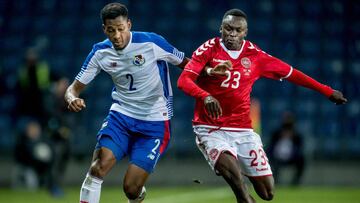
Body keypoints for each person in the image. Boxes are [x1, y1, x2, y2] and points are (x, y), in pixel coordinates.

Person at [177, 8, 347, 202]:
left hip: (242, 130)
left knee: (268, 193)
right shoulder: (208, 48)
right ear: (220, 28)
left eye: (237, 30)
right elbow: (184, 81)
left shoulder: (255, 55)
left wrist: (326, 91)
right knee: (238, 184)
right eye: (228, 28)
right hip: (211, 128)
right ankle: (239, 186)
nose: (232, 34)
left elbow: (292, 73)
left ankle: (239, 173)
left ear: (245, 32)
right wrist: (205, 96)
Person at [64, 3, 191, 203]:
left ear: (129, 25)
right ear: (104, 29)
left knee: (131, 188)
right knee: (98, 167)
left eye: (120, 29)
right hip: (121, 116)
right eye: (111, 30)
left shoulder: (151, 43)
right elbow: (73, 88)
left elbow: (188, 64)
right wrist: (72, 98)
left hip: (155, 120)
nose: (116, 36)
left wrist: (210, 72)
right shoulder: (100, 52)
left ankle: (137, 196)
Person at [267, 112, 305, 186]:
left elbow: (300, 147)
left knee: (301, 160)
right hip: (277, 157)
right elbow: (270, 146)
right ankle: (275, 182)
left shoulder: (296, 135)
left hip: (291, 157)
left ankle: (295, 182)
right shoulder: (276, 133)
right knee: (274, 163)